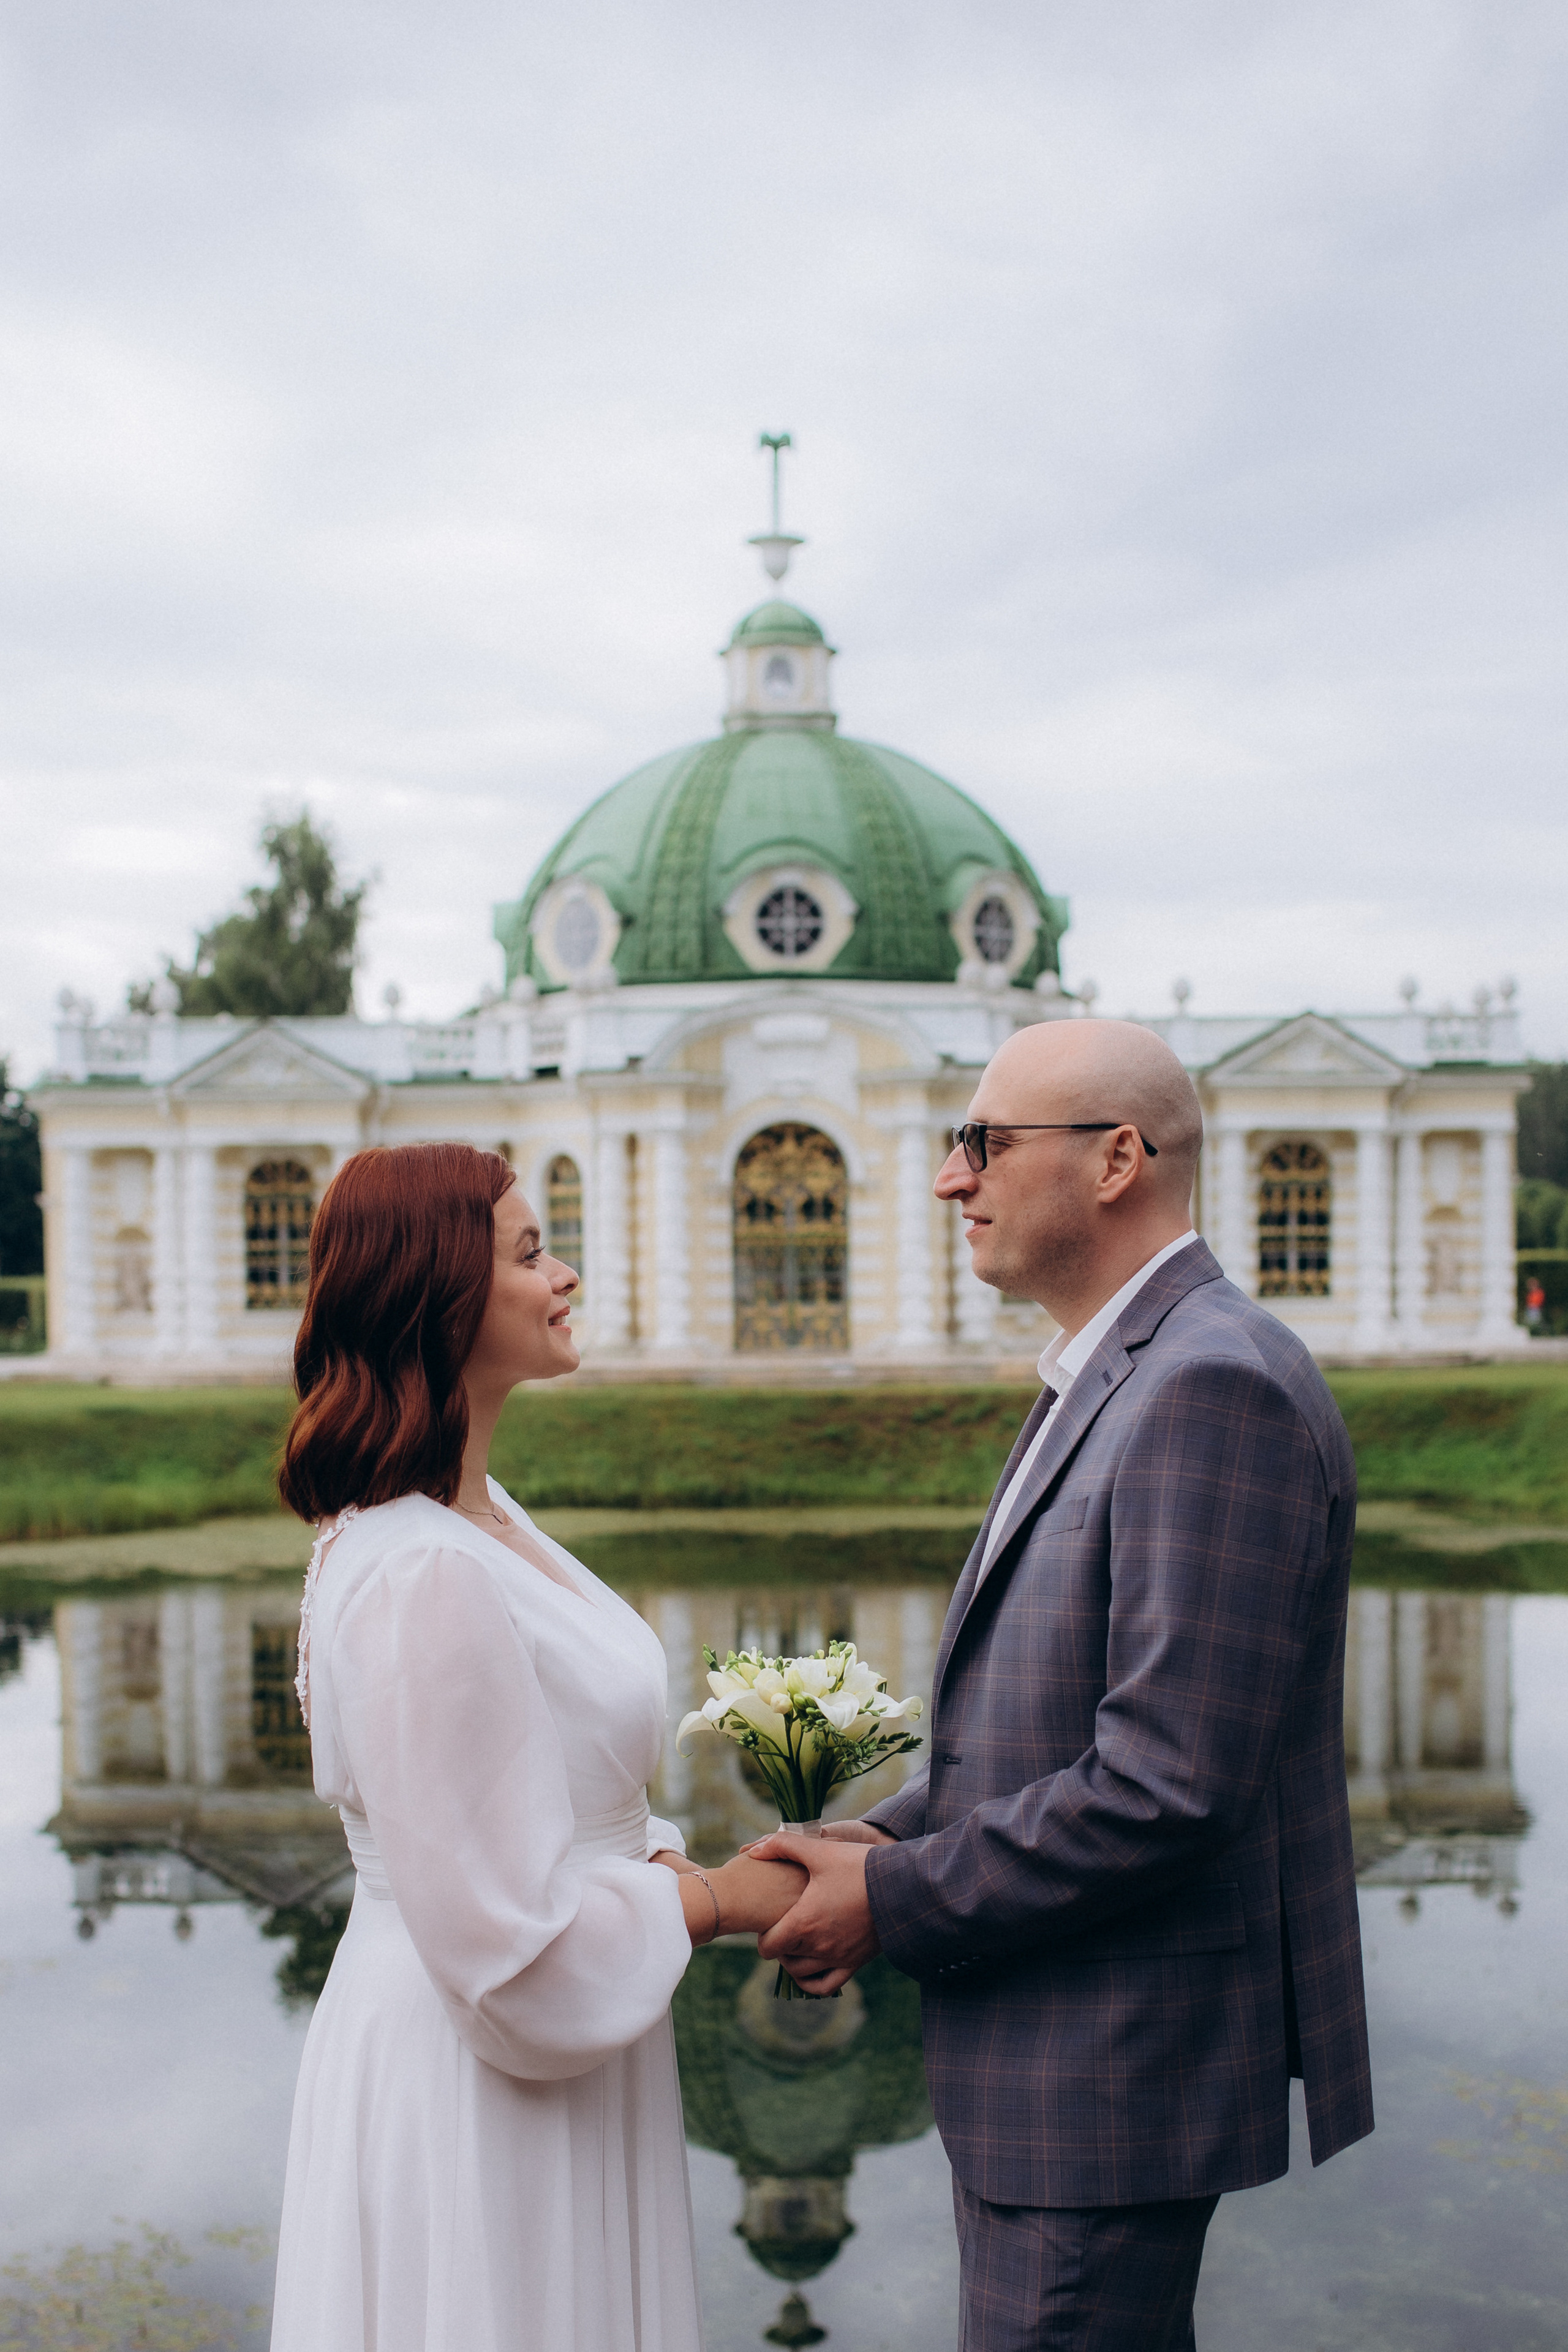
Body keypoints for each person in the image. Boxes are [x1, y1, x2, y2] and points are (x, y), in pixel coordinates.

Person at [752, 1020, 1374, 2352]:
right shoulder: (1123, 1369)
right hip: (1061, 2072)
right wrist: (886, 1837)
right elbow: (1048, 1735)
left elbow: (1167, 1786)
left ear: (1115, 1160)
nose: (950, 1177)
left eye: (983, 1142)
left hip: (1103, 2080)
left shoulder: (1211, 1386)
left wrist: (894, 1899)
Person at [269, 1142, 805, 2352]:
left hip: (579, 2016)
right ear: (438, 1299)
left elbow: (554, 1783)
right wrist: (718, 1902)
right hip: (482, 2058)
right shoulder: (419, 1570)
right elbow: (503, 1952)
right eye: (528, 1254)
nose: (564, 1276)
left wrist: (658, 1862)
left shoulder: (480, 1514)